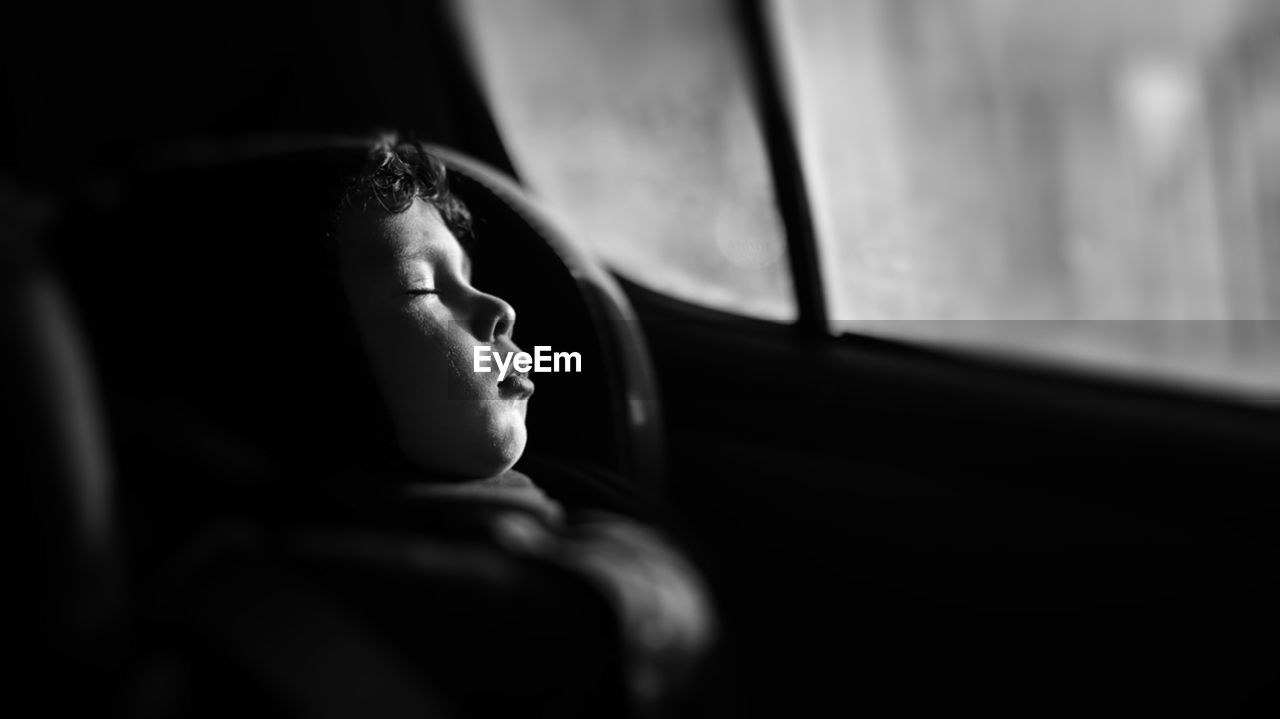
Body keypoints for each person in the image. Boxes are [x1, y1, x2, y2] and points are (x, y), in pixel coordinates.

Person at [80, 135, 717, 718]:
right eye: (423, 289)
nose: (501, 310)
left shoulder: (569, 496)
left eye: (470, 278)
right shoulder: (320, 603)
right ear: (311, 362)